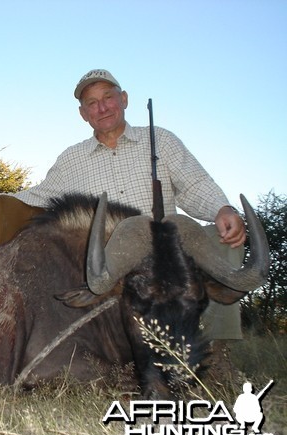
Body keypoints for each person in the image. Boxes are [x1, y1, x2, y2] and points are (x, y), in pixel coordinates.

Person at [14, 69, 245, 341]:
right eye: (92, 103)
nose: (102, 108)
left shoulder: (161, 139)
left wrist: (222, 209)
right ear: (83, 114)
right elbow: (41, 196)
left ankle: (216, 345)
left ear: (123, 99)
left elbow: (194, 186)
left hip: (167, 250)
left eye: (108, 97)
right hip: (113, 262)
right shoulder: (71, 159)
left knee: (225, 238)